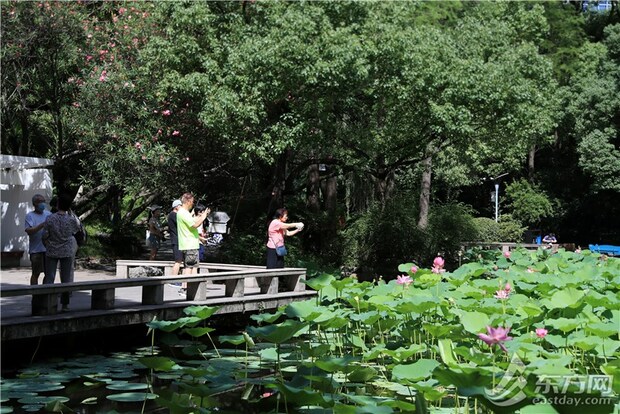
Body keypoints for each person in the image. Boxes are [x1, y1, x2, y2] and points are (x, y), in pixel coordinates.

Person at [42, 193, 81, 312]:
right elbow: (75, 231)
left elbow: (45, 235)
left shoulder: (50, 218)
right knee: (65, 279)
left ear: (58, 204)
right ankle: (65, 305)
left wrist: (47, 244)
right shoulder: (71, 220)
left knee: (50, 277)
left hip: (52, 250)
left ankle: (48, 303)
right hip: (67, 251)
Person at [177, 193, 209, 276]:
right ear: (188, 201)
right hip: (190, 244)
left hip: (186, 244)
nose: (193, 204)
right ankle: (189, 287)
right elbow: (194, 225)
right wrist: (203, 217)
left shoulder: (182, 212)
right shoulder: (184, 213)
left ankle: (185, 287)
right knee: (191, 267)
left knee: (188, 266)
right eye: (192, 202)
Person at [25, 194, 51, 285]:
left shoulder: (48, 214)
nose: (43, 204)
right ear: (34, 203)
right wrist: (42, 225)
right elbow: (29, 231)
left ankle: (44, 293)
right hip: (36, 250)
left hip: (48, 249)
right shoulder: (30, 216)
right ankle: (35, 294)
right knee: (36, 273)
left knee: (49, 274)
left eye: (44, 201)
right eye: (40, 202)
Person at [167, 199, 183, 275]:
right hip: (176, 240)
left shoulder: (174, 215)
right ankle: (173, 279)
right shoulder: (173, 215)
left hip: (178, 240)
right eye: (180, 205)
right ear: (176, 207)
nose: (181, 207)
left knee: (180, 261)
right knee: (178, 261)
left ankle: (176, 278)